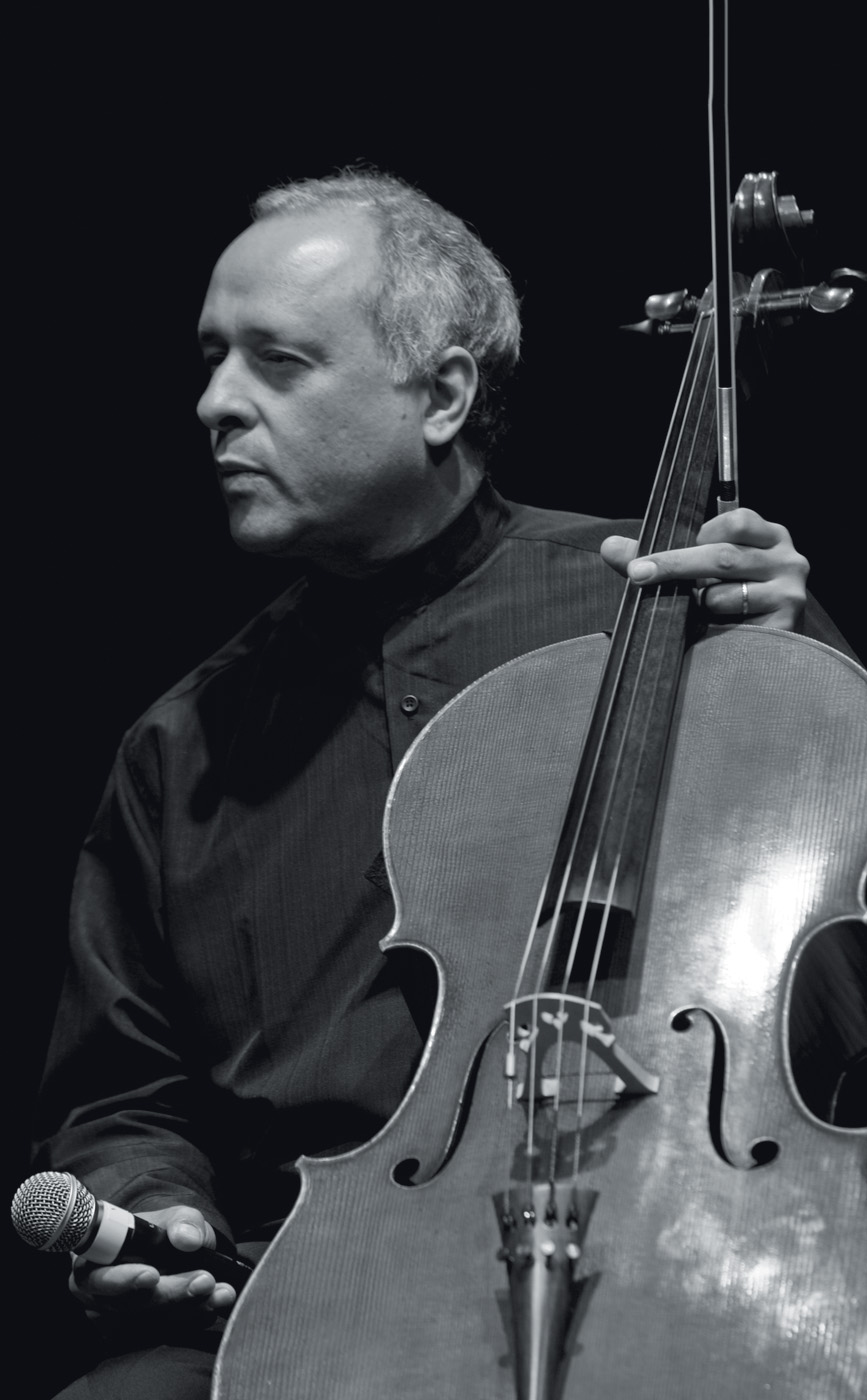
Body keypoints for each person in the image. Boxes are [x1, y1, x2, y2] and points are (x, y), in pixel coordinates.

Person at [32, 171, 851, 1399]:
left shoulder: (666, 608)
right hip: (313, 1294)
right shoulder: (181, 743)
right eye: (211, 361)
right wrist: (154, 1200)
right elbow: (124, 1090)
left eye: (277, 361)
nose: (216, 402)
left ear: (444, 393)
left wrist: (796, 676)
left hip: (683, 1229)